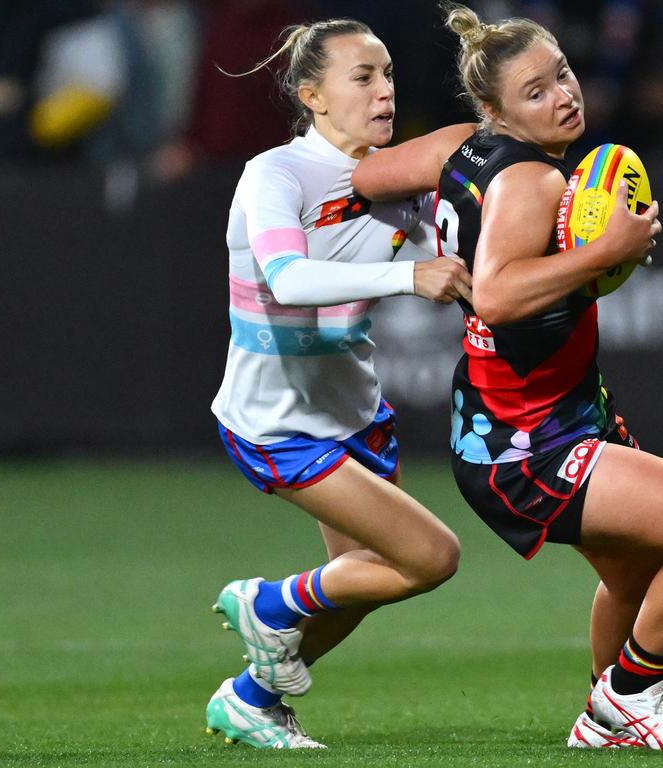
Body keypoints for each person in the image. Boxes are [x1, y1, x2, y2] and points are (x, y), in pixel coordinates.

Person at [351, 2, 663, 751]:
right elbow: (501, 293)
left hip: (527, 415)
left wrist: (331, 218)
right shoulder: (534, 180)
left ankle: (609, 719)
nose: (563, 95)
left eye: (562, 75)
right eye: (535, 93)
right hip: (528, 441)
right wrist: (609, 248)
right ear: (495, 109)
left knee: (635, 576)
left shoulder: (457, 146)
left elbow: (367, 172)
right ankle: (633, 691)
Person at [205, 18, 471, 750]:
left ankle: (254, 699)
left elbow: (472, 275)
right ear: (312, 94)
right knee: (430, 558)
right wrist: (409, 275)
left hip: (352, 415)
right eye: (364, 77)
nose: (385, 91)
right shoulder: (275, 174)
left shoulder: (399, 188)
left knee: (355, 585)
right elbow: (288, 281)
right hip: (276, 422)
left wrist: (583, 254)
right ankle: (267, 600)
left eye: (389, 75)